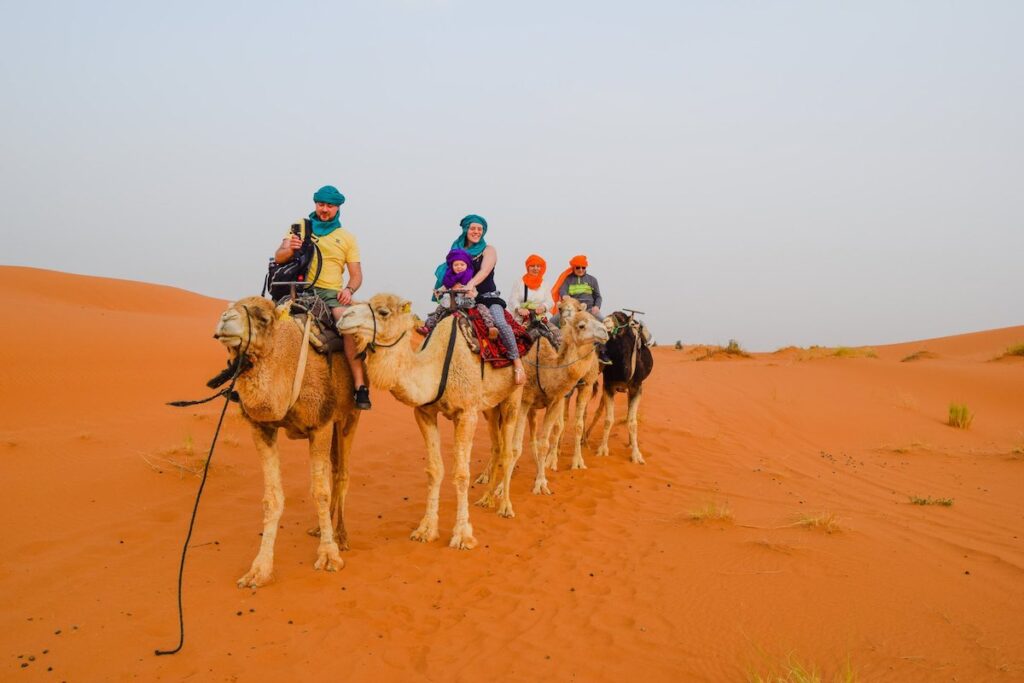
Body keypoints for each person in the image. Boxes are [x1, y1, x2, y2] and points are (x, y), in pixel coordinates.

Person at [274, 184, 372, 409]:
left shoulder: (347, 238)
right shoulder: (300, 227)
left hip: (330, 294)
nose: (324, 209)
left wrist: (348, 290)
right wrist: (291, 249)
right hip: (295, 290)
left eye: (329, 206)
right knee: (268, 323)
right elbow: (279, 257)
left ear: (338, 208)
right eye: (321, 204)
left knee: (348, 325)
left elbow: (356, 275)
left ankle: (359, 386)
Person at [434, 214, 526, 385]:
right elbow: (449, 274)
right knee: (437, 321)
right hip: (461, 297)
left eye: (480, 229)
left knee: (500, 323)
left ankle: (517, 362)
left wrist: (470, 285)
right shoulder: (456, 250)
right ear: (466, 229)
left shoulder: (489, 250)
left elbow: (484, 271)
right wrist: (446, 287)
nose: (476, 232)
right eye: (473, 228)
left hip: (487, 297)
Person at [419, 248, 499, 337]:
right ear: (452, 266)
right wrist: (438, 291)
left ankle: (490, 326)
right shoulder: (449, 279)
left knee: (482, 307)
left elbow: (474, 291)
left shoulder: (470, 279)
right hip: (452, 302)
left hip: (467, 302)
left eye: (462, 264)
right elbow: (443, 287)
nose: (459, 267)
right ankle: (428, 326)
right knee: (439, 309)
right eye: (456, 265)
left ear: (466, 265)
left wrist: (471, 293)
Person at [551, 254, 611, 364]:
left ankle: (603, 352)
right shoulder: (568, 280)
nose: (580, 270)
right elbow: (562, 291)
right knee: (551, 322)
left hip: (589, 310)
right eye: (578, 267)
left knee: (604, 323)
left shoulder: (592, 280)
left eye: (583, 267)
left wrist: (597, 306)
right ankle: (555, 350)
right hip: (573, 310)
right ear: (573, 268)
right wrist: (565, 296)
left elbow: (598, 296)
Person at [508, 254, 558, 345]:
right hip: (523, 318)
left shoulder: (544, 283)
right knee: (513, 339)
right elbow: (513, 299)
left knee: (558, 336)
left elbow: (550, 301)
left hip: (541, 317)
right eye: (532, 266)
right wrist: (519, 309)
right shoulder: (519, 282)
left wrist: (544, 307)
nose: (535, 268)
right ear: (528, 267)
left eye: (538, 266)